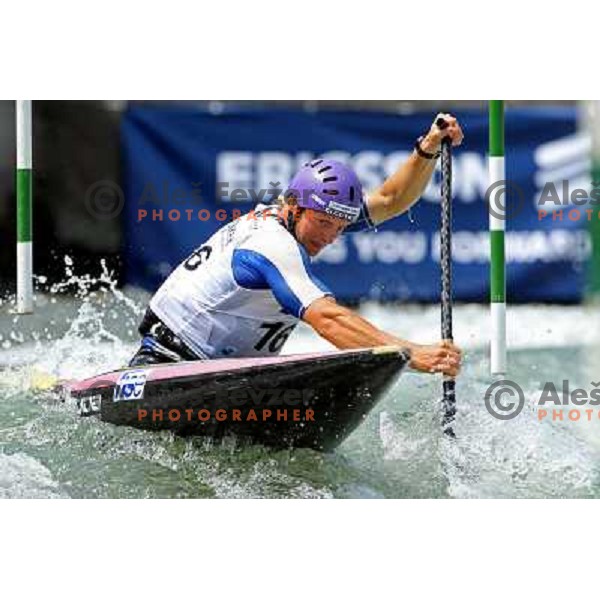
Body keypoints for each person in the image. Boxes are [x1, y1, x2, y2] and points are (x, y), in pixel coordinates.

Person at [129, 113, 464, 376]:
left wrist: (429, 147)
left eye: (340, 226)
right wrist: (412, 354)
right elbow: (327, 319)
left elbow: (391, 199)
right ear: (293, 206)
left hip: (215, 364)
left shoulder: (308, 213)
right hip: (166, 361)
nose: (330, 235)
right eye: (323, 223)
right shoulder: (271, 243)